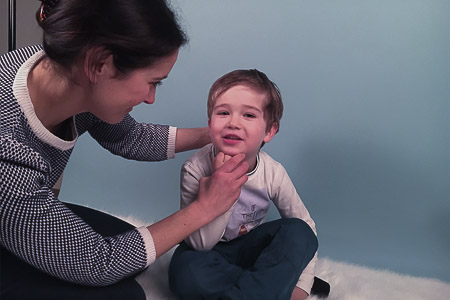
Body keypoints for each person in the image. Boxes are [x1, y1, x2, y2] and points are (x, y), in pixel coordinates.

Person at [0, 0, 248, 296]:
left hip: (16, 213)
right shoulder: (7, 146)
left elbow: (129, 137)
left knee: (136, 252)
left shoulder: (61, 69)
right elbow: (98, 262)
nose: (150, 98)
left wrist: (215, 134)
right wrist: (205, 208)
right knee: (126, 292)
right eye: (153, 82)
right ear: (100, 64)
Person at [169, 69, 319, 300]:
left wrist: (303, 287)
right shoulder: (194, 168)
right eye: (223, 113)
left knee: (299, 232)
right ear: (210, 125)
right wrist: (223, 186)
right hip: (207, 252)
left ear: (269, 131)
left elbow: (305, 226)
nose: (233, 123)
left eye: (248, 115)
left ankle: (268, 282)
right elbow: (200, 243)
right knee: (184, 271)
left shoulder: (273, 173)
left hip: (251, 250)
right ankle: (268, 284)